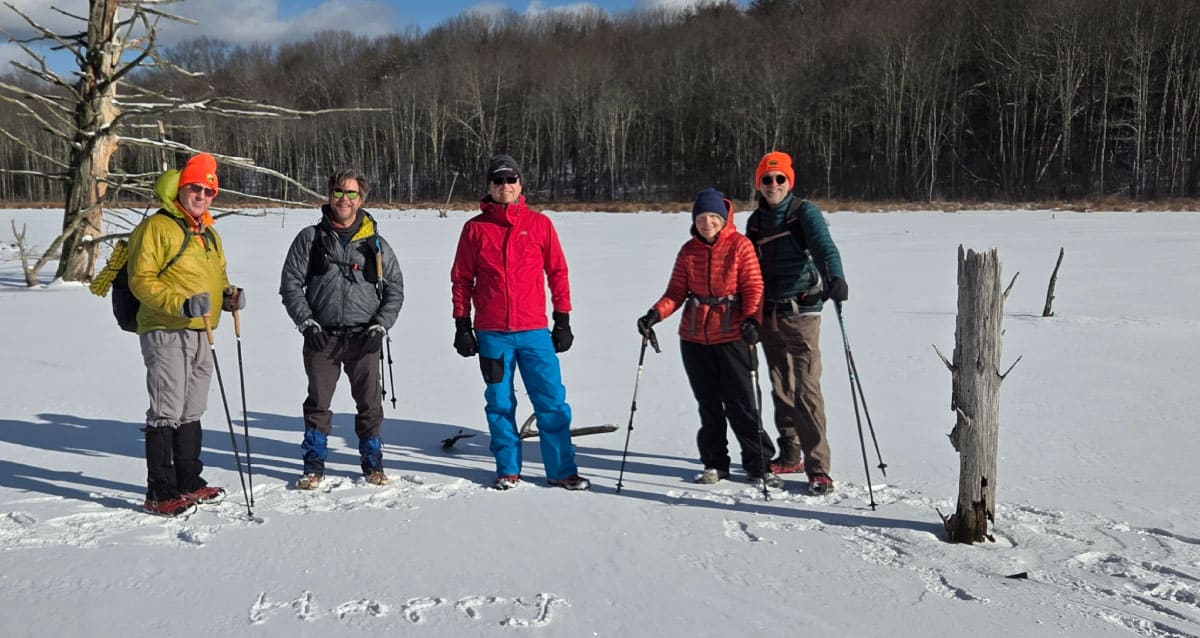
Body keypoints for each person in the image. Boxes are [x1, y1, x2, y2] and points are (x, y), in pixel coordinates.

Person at [450, 154, 588, 491]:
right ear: (489, 186)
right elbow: (462, 280)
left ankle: (561, 470)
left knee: (551, 401)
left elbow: (558, 272)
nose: (505, 186)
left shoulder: (540, 224)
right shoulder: (475, 229)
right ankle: (507, 470)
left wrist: (563, 319)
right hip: (492, 334)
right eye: (498, 180)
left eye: (511, 179)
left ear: (520, 183)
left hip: (534, 332)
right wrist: (462, 325)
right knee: (499, 403)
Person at [636, 188, 784, 490]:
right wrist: (654, 314)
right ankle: (715, 463)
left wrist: (752, 321)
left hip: (733, 335)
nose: (708, 223)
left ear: (724, 218)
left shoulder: (740, 246)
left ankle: (759, 465)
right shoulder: (688, 251)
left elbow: (754, 287)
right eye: (702, 218)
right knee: (708, 405)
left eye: (714, 217)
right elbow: (676, 292)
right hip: (694, 338)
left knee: (743, 404)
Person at [128, 152, 244, 516]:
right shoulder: (157, 228)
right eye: (195, 188)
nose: (202, 196)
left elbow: (218, 276)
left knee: (192, 408)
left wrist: (228, 295)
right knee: (167, 409)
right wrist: (180, 304)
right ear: (181, 187)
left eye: (209, 191)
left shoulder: (209, 233)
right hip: (166, 328)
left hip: (201, 330)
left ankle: (189, 481)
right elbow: (141, 280)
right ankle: (159, 492)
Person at [279, 169, 405, 490]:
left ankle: (372, 461)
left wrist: (380, 326)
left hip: (365, 337)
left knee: (370, 403)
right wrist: (306, 322)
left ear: (361, 199)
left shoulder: (375, 243)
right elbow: (290, 284)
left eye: (351, 193)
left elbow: (395, 288)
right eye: (338, 192)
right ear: (329, 195)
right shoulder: (310, 238)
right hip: (322, 336)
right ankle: (314, 464)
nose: (344, 199)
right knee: (318, 403)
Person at [743, 151, 847, 496]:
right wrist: (751, 315)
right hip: (770, 313)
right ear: (759, 183)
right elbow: (751, 273)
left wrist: (836, 277)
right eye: (766, 179)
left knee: (806, 388)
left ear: (789, 181)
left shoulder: (804, 212)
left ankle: (819, 469)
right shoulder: (755, 222)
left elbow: (824, 248)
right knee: (781, 386)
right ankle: (790, 454)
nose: (773, 185)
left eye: (780, 179)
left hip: (802, 311)